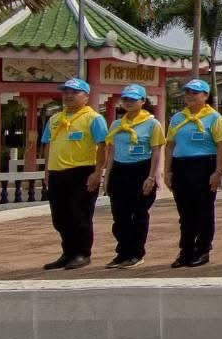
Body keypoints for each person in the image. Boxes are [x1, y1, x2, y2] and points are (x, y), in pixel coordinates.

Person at [40, 78, 108, 270]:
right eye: (66, 92)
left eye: (74, 92)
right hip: (57, 173)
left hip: (82, 172)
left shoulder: (93, 118)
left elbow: (103, 146)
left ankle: (82, 253)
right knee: (60, 217)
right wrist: (47, 171)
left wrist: (98, 172)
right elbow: (48, 145)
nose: (68, 95)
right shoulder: (55, 119)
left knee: (80, 215)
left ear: (86, 96)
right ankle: (68, 252)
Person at [165, 79, 222, 268]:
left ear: (205, 96)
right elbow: (170, 145)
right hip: (181, 166)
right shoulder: (177, 118)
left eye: (195, 92)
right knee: (185, 212)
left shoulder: (214, 118)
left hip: (204, 165)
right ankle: (186, 250)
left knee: (203, 210)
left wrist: (218, 171)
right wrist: (167, 170)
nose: (190, 96)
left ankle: (203, 250)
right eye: (188, 92)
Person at [102, 84, 164, 269]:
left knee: (138, 215)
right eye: (126, 99)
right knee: (119, 216)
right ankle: (122, 253)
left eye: (133, 99)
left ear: (143, 101)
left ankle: (136, 253)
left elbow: (156, 151)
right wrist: (107, 176)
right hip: (120, 170)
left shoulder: (152, 124)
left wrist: (151, 177)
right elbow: (112, 152)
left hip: (141, 170)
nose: (128, 102)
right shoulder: (116, 124)